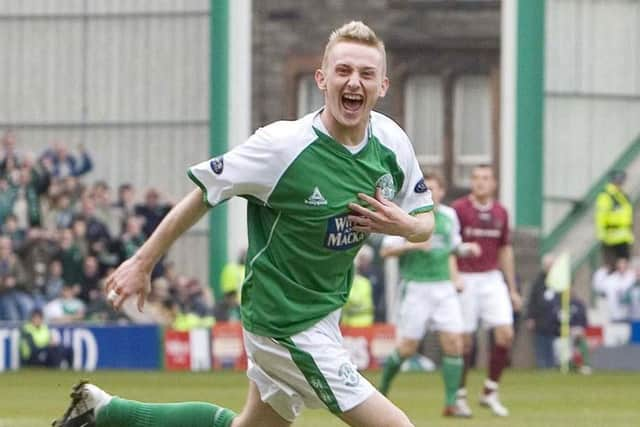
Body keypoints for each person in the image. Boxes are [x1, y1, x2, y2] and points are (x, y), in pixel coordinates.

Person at [53, 21, 435, 427]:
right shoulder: (282, 147)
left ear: (383, 86)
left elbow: (425, 220)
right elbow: (205, 191)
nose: (353, 82)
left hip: (323, 314)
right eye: (343, 71)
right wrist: (143, 262)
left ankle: (104, 412)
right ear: (322, 79)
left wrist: (406, 227)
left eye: (366, 74)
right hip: (283, 322)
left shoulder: (391, 142)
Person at [377, 171, 480, 417]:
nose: (431, 193)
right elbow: (386, 252)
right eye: (427, 188)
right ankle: (381, 391)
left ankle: (451, 402)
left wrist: (466, 250)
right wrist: (412, 244)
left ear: (442, 191)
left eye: (435, 188)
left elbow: (451, 246)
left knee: (454, 342)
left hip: (443, 287)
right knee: (408, 348)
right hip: (416, 287)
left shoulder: (448, 216)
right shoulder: (406, 216)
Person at [452, 164, 522, 417]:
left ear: (494, 184)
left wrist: (512, 288)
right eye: (476, 177)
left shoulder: (501, 212)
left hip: (492, 279)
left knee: (505, 334)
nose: (480, 182)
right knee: (465, 342)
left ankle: (490, 390)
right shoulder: (459, 210)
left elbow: (505, 250)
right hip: (466, 278)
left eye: (485, 178)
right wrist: (454, 276)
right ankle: (459, 395)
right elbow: (450, 245)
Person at [526, 254, 559, 369]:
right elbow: (532, 300)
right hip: (540, 320)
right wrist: (530, 317)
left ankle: (552, 365)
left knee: (552, 345)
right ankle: (542, 366)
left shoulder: (558, 281)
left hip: (553, 321)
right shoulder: (538, 281)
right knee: (540, 345)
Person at [595, 170, 633, 270]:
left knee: (624, 263)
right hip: (611, 235)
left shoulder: (621, 195)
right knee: (613, 265)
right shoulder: (606, 195)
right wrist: (601, 233)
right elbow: (601, 216)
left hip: (623, 234)